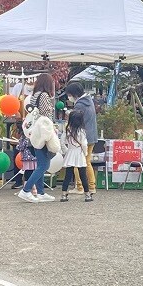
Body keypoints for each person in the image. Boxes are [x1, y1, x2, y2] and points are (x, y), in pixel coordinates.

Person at [18, 73, 57, 203]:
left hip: (34, 133)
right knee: (44, 165)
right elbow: (46, 116)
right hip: (42, 133)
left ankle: (40, 192)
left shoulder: (34, 96)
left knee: (41, 164)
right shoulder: (44, 96)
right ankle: (26, 190)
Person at [65, 80, 98, 198]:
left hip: (81, 137)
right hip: (91, 136)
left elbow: (75, 121)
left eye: (69, 95)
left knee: (77, 163)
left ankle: (80, 186)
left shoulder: (79, 105)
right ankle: (92, 186)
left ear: (74, 94)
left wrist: (69, 114)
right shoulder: (89, 101)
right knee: (87, 162)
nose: (69, 97)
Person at [59, 109, 91, 202]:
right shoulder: (81, 131)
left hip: (70, 152)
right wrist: (85, 153)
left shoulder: (67, 129)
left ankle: (64, 195)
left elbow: (62, 142)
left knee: (68, 175)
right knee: (83, 175)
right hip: (79, 153)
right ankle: (87, 195)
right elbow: (84, 144)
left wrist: (66, 151)